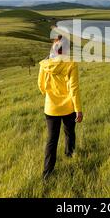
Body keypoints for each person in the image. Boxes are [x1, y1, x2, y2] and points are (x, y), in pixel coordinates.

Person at [38, 46, 83, 179]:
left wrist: (50, 96)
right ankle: (70, 155)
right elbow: (74, 88)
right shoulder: (71, 64)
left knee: (52, 140)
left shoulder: (44, 64)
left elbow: (40, 85)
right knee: (69, 132)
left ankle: (47, 172)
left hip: (51, 108)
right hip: (68, 107)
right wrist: (78, 110)